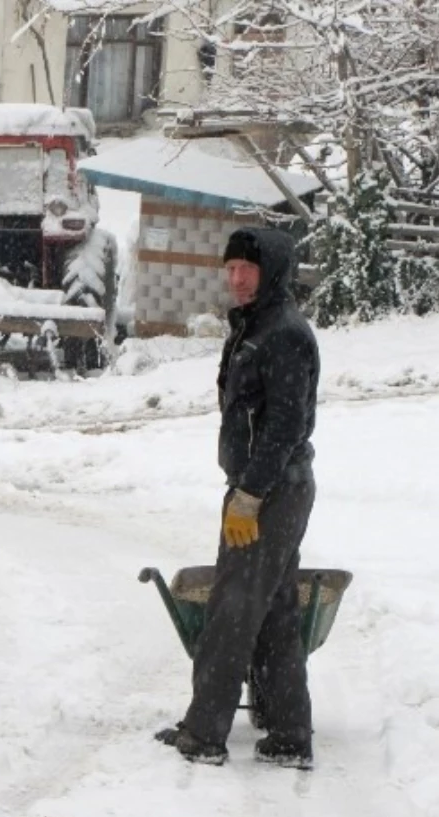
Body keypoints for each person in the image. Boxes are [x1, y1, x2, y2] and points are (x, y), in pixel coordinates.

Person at [156, 227, 320, 768]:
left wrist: (250, 492)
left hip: (270, 490)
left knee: (230, 610)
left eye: (246, 269)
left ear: (271, 270)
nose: (236, 278)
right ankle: (288, 731)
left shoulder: (284, 334)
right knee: (273, 610)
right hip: (262, 485)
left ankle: (205, 734)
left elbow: (286, 426)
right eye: (229, 269)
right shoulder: (254, 326)